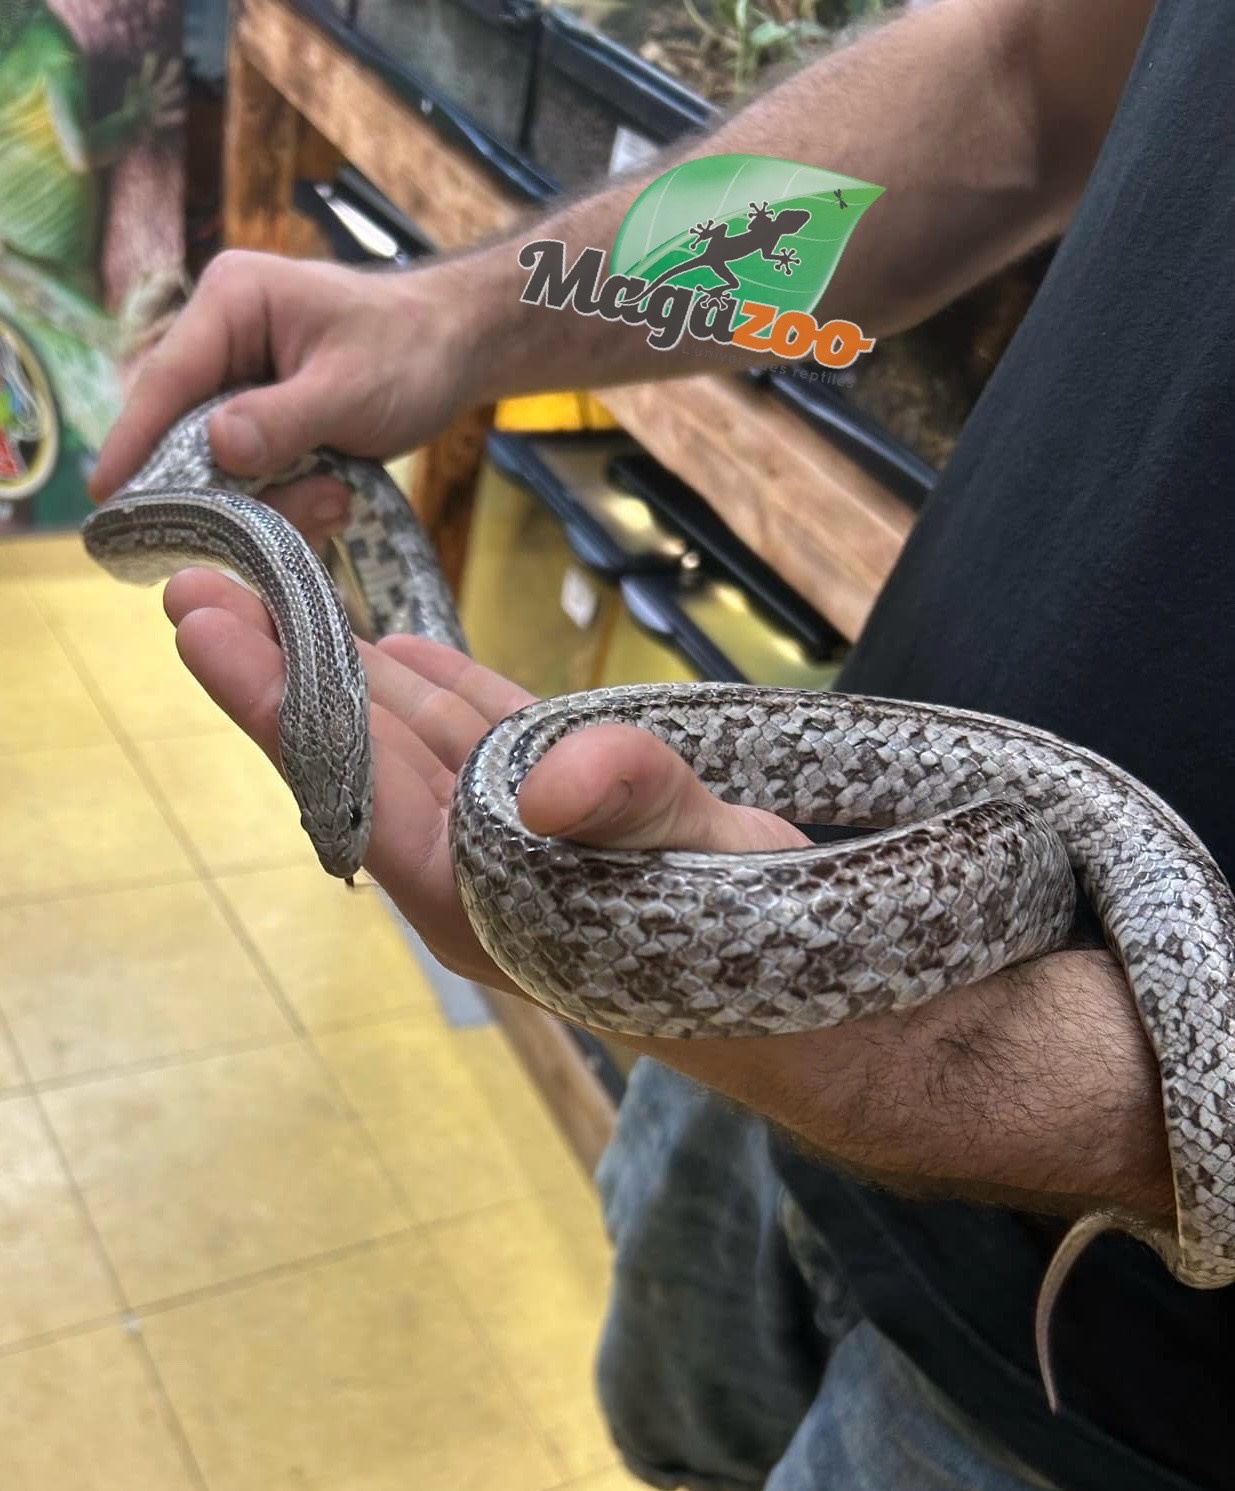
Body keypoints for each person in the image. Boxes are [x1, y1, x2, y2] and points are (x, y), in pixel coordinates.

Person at [90, 0, 1233, 1485]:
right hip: (773, 983)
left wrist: (1076, 1100)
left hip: (1118, 1413)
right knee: (668, 1429)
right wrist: (461, 316)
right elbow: (1016, 85)